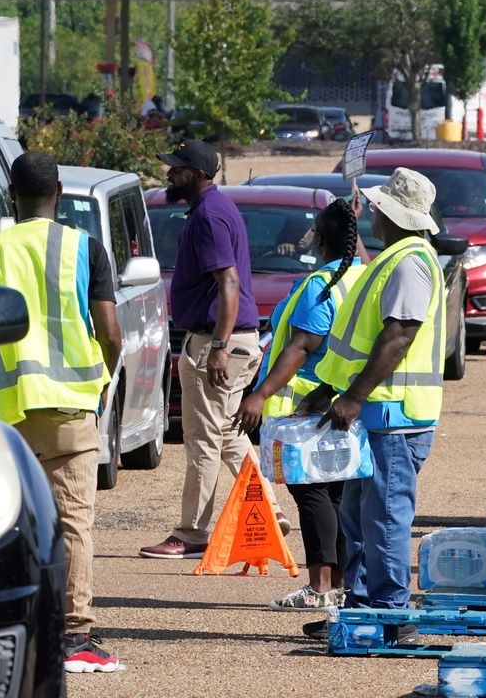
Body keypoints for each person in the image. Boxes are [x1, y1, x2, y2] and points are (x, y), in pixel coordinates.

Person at [0, 151, 124, 673]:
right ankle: (74, 636)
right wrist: (101, 381)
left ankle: (3, 628)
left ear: (10, 197)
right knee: (73, 522)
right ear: (60, 193)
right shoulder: (84, 249)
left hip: (1, 416)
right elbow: (110, 332)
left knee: (2, 524)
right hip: (69, 410)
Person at [295, 167, 446, 642]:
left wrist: (354, 396)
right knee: (359, 517)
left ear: (393, 214)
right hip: (377, 414)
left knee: (383, 518)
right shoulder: (395, 258)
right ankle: (361, 610)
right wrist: (331, 388)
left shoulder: (409, 262)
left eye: (379, 208)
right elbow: (362, 339)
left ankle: (391, 614)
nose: (373, 215)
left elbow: (398, 335)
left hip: (394, 415)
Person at [140, 140, 275, 560]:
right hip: (227, 340)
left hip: (218, 343)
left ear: (197, 175)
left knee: (202, 440)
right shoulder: (213, 208)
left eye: (177, 168)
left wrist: (217, 346)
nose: (169, 174)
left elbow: (228, 282)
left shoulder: (209, 216)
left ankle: (192, 534)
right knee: (227, 432)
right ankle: (270, 511)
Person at [232, 198, 366, 611]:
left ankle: (319, 587)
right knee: (337, 494)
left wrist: (260, 394)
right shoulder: (362, 277)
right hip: (348, 399)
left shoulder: (320, 285)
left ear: (320, 240)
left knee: (312, 494)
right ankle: (339, 584)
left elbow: (301, 345)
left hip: (309, 405)